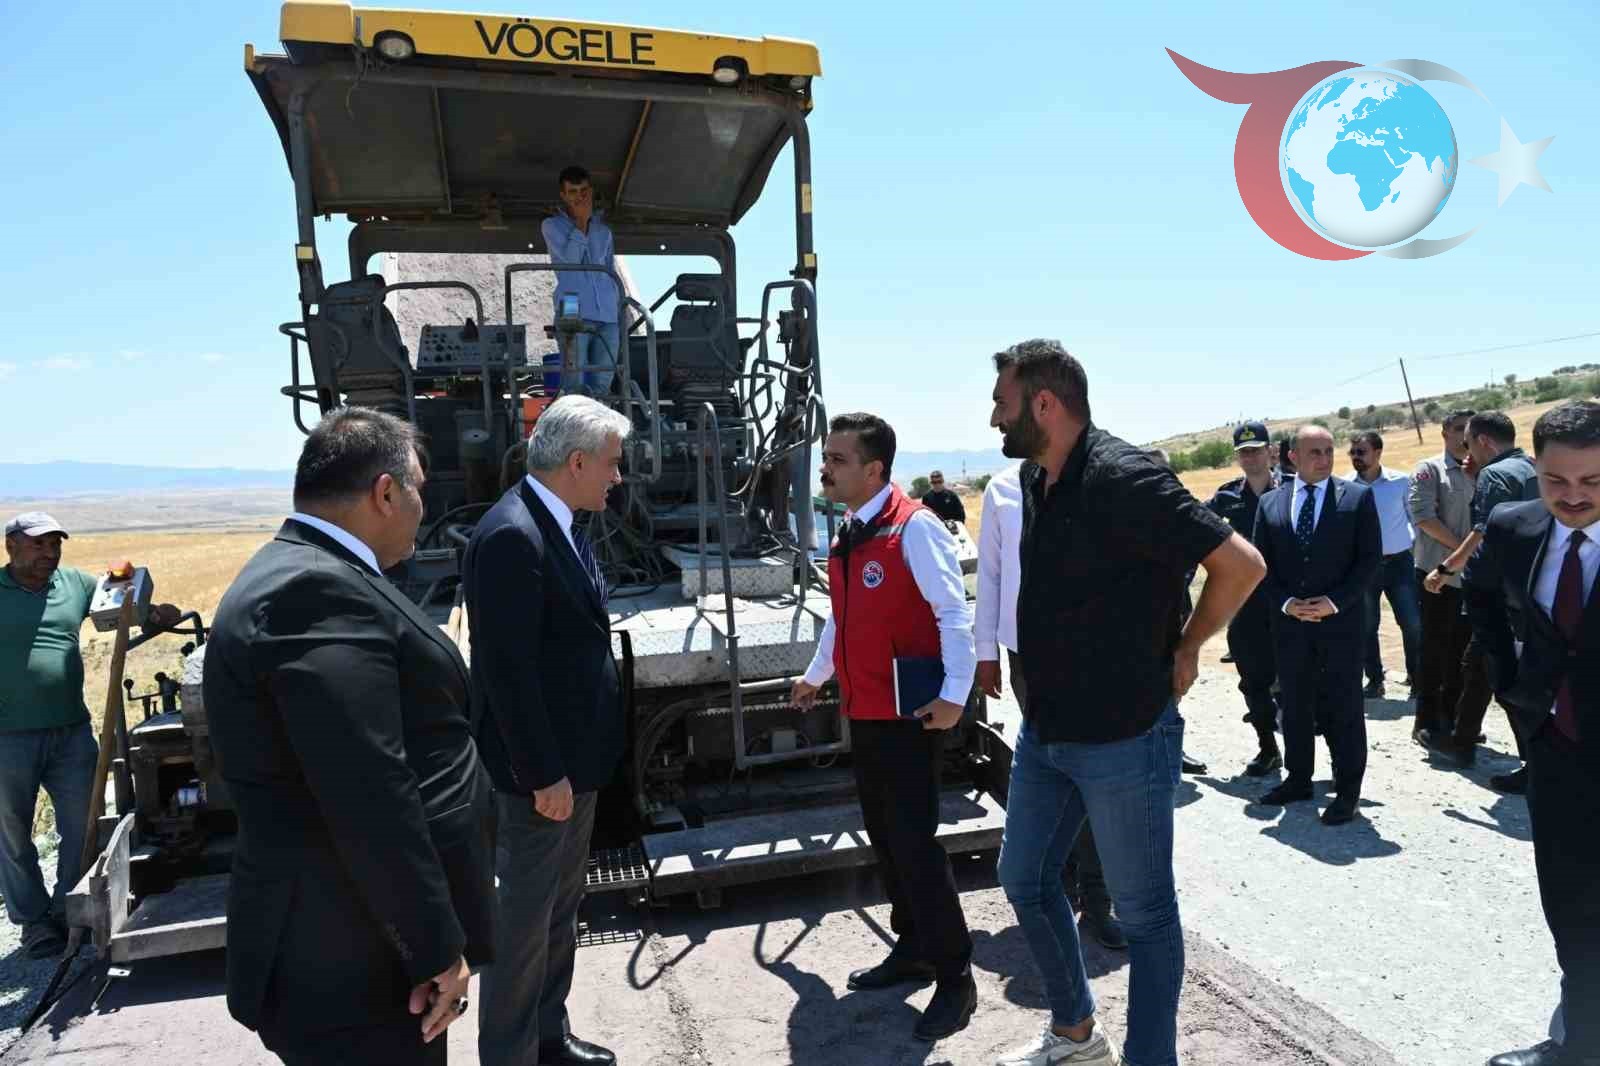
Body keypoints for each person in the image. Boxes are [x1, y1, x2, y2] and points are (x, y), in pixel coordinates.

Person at [988, 340, 1265, 1066]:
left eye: (1002, 403)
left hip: (1125, 735)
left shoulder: (1125, 476)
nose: (994, 418)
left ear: (1044, 403)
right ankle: (1076, 1035)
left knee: (1145, 915)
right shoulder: (1036, 478)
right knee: (1025, 880)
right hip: (1046, 730)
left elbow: (1240, 565)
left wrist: (1190, 644)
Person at [204, 409, 495, 1065]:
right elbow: (367, 791)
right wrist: (433, 945)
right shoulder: (314, 590)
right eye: (420, 490)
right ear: (386, 493)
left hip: (358, 944)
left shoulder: (313, 572)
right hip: (353, 960)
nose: (424, 509)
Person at [791, 412, 979, 1042]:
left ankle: (955, 975)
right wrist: (817, 674)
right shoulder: (850, 529)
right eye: (826, 457)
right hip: (866, 712)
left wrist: (955, 696)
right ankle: (915, 946)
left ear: (874, 470)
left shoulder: (914, 527)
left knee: (914, 846)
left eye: (837, 459)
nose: (825, 469)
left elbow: (953, 613)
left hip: (911, 717)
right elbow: (842, 617)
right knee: (886, 839)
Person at [467, 395, 629, 1066]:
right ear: (578, 462)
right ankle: (510, 1054)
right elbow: (506, 673)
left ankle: (547, 1037)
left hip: (572, 766)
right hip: (543, 778)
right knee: (523, 927)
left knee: (559, 914)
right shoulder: (513, 535)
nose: (618, 477)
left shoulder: (556, 523)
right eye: (612, 464)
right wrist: (543, 775)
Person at [1465, 400, 1600, 1066]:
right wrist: (1514, 688)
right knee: (1571, 907)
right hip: (1556, 748)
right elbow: (1480, 594)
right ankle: (1580, 1043)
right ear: (1534, 469)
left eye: (1593, 481)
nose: (1573, 496)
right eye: (1556, 481)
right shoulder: (1513, 527)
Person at [1, 513, 170, 959]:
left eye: (55, 544)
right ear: (11, 546)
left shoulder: (74, 584)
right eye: (39, 544)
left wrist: (154, 613)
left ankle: (69, 911)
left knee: (83, 825)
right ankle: (34, 923)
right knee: (12, 832)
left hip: (70, 731)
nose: (49, 553)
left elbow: (119, 606)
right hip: (6, 737)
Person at [975, 464, 1126, 952]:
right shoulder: (1001, 489)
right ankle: (1066, 881)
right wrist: (985, 652)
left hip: (1092, 649)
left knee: (1091, 774)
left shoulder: (1098, 474)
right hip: (1028, 656)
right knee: (1057, 769)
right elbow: (990, 574)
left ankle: (1097, 899)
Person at [1251, 425, 1382, 826]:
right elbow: (1260, 565)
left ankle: (1347, 791)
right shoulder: (1270, 503)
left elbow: (1369, 561)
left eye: (1328, 451)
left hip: (1341, 626)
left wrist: (1333, 603)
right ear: (1292, 457)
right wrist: (1287, 604)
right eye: (1314, 452)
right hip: (1290, 627)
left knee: (1344, 707)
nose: (1324, 459)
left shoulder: (1356, 498)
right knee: (1294, 704)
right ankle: (1298, 779)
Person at [1422, 411, 1541, 786]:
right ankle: (1462, 742)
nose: (1466, 451)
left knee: (1501, 677)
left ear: (1485, 441)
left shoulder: (1495, 475)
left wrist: (1445, 569)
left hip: (1496, 593)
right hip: (1526, 591)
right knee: (1478, 666)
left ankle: (1536, 762)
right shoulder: (1531, 467)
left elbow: (1483, 530)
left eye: (1469, 442)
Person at [1206, 422, 1283, 776]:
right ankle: (1268, 748)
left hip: (1288, 601)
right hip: (1245, 603)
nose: (1250, 457)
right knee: (1252, 678)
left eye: (1256, 450)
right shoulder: (1227, 497)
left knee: (1300, 677)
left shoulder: (1292, 491)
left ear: (1271, 452)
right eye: (1244, 452)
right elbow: (1194, 526)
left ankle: (1306, 753)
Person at [1409, 410, 1477, 741]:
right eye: (1459, 429)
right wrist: (1465, 550)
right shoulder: (1430, 470)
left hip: (1474, 579)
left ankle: (1452, 717)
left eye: (1470, 429)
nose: (1465, 435)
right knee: (1434, 649)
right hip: (1438, 578)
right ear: (1445, 433)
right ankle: (1425, 721)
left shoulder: (1485, 470)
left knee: (1463, 652)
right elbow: (1424, 518)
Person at [1348, 431, 1421, 699]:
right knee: (1367, 626)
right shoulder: (1345, 486)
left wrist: (1412, 548)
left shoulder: (1400, 481)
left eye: (1361, 452)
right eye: (1353, 452)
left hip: (1400, 564)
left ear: (1378, 453)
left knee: (1412, 624)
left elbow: (1414, 519)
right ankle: (1375, 681)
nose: (1355, 457)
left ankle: (1418, 680)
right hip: (1364, 568)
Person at [541, 165, 621, 395]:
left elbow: (609, 270)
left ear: (591, 192)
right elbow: (570, 262)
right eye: (573, 192)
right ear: (563, 195)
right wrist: (581, 222)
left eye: (583, 191)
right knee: (574, 382)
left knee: (604, 381)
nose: (579, 197)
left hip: (607, 312)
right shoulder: (551, 226)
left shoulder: (604, 231)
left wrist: (617, 303)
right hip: (572, 306)